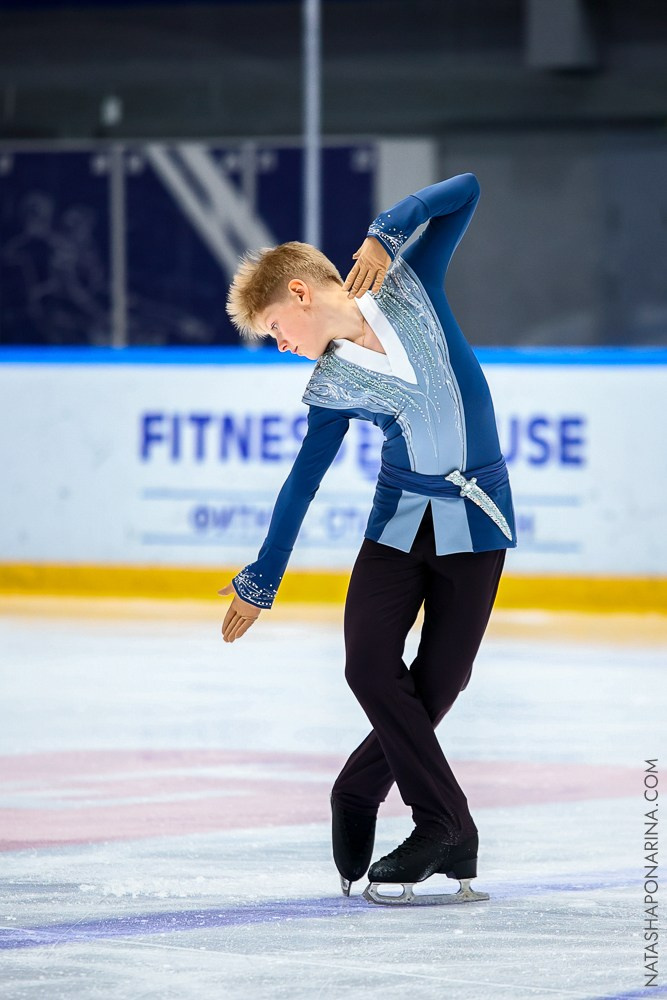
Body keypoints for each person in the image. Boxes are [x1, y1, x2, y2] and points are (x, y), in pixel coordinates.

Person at [219, 172, 516, 906]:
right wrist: (262, 580)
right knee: (369, 668)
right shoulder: (327, 387)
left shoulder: (411, 284)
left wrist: (387, 230)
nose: (281, 347)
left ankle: (356, 788)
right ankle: (445, 826)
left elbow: (467, 189)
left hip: (475, 523)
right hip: (394, 529)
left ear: (297, 294)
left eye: (275, 332)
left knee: (439, 684)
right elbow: (300, 484)